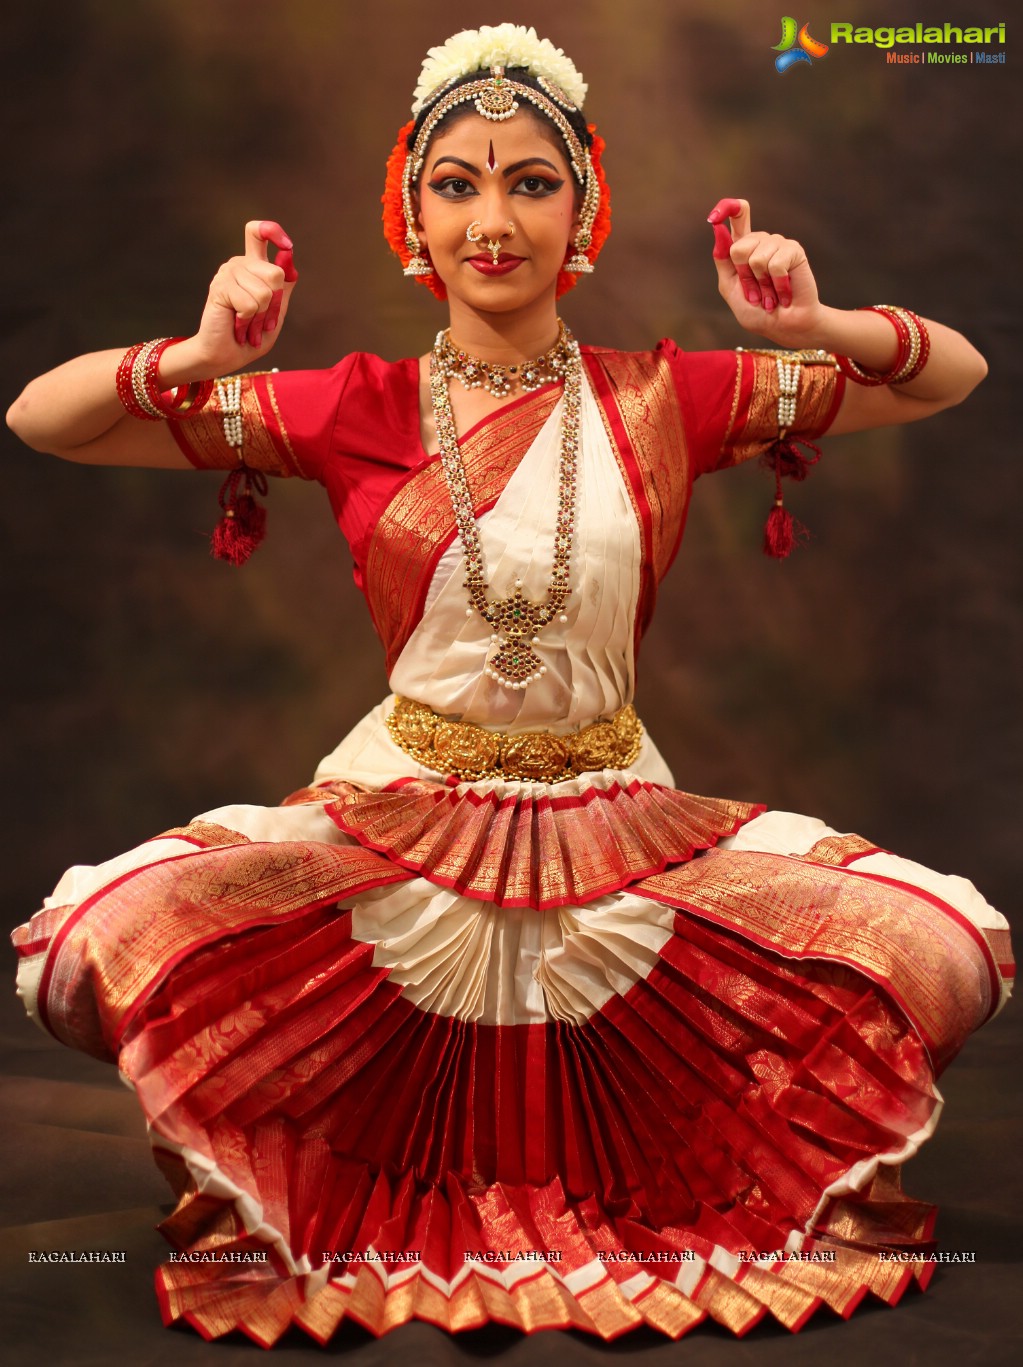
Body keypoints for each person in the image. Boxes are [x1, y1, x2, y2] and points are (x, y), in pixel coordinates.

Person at [7, 22, 1013, 1347]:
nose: (494, 219)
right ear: (409, 216)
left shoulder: (666, 395)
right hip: (397, 820)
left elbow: (955, 374)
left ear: (583, 209)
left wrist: (817, 324)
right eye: (457, 184)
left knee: (936, 953)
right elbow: (40, 415)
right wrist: (199, 357)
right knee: (96, 948)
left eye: (531, 181)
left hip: (617, 822)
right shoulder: (358, 403)